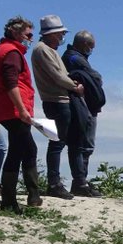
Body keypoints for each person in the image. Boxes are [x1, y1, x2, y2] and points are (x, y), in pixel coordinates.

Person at [0, 16, 42, 212]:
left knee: (23, 149)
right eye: (28, 34)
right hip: (13, 109)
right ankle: (11, 199)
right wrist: (22, 109)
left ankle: (31, 196)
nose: (31, 38)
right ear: (16, 33)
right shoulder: (11, 53)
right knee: (22, 150)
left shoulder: (0, 50)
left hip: (6, 108)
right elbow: (11, 84)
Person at [30, 15, 84, 199]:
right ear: (51, 34)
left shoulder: (48, 49)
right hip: (55, 100)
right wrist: (75, 86)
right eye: (60, 33)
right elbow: (57, 76)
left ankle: (63, 182)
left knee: (64, 140)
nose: (62, 36)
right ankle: (54, 183)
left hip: (60, 99)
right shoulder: (42, 50)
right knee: (57, 141)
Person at [62, 30, 106, 196]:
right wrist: (94, 78)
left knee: (87, 145)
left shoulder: (79, 58)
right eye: (91, 47)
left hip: (89, 105)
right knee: (80, 145)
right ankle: (79, 182)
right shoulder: (72, 57)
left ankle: (82, 181)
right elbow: (94, 76)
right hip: (80, 105)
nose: (91, 50)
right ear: (84, 44)